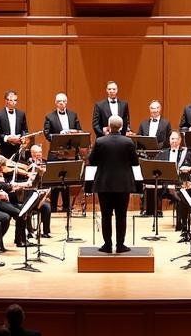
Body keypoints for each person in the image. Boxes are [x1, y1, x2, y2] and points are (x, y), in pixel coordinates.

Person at [87, 114, 138, 252]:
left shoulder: (100, 141)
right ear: (121, 127)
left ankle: (107, 245)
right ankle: (120, 245)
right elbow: (135, 162)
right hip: (123, 185)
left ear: (109, 126)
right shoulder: (128, 142)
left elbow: (91, 160)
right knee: (121, 216)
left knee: (106, 215)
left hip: (104, 184)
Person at [43, 93, 83, 212]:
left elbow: (79, 130)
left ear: (67, 102)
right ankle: (53, 207)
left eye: (64, 101)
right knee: (55, 180)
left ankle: (66, 207)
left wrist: (72, 131)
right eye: (59, 101)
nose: (62, 103)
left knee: (68, 179)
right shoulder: (49, 116)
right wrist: (59, 136)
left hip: (69, 152)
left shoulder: (73, 115)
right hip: (55, 152)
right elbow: (47, 134)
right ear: (56, 103)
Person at [0, 90, 30, 159]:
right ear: (6, 101)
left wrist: (24, 138)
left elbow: (25, 130)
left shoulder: (21, 114)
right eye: (12, 100)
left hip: (18, 147)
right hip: (4, 148)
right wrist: (8, 139)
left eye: (15, 100)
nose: (14, 103)